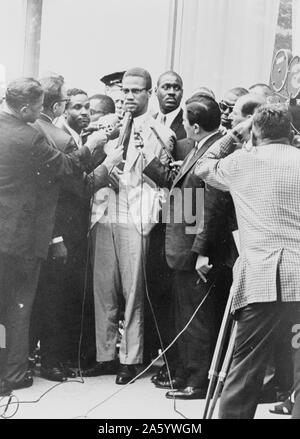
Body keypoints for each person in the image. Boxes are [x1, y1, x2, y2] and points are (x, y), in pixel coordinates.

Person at [0, 77, 105, 396]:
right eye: (36, 107)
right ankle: (15, 372)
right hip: (19, 238)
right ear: (22, 107)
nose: (42, 111)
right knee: (18, 307)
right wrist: (97, 147)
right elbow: (68, 168)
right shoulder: (29, 137)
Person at [194, 104, 300, 419]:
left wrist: (235, 133)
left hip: (261, 281)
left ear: (254, 132)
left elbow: (203, 164)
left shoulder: (243, 162)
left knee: (246, 368)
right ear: (291, 132)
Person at [84, 67, 175, 385]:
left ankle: (131, 358)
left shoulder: (159, 131)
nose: (129, 96)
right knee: (103, 289)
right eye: (125, 91)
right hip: (104, 214)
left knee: (133, 290)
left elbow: (166, 177)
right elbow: (90, 161)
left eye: (136, 91)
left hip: (134, 217)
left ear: (148, 94)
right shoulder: (108, 126)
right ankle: (105, 355)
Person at [29, 76, 123, 382]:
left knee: (57, 296)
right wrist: (107, 166)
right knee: (57, 298)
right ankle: (55, 361)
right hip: (65, 233)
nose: (85, 113)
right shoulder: (64, 139)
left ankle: (51, 357)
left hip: (62, 231)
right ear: (60, 108)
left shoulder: (66, 134)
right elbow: (79, 189)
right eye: (77, 106)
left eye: (87, 108)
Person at [144, 95, 236, 399]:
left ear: (195, 127)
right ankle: (188, 372)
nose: (182, 126)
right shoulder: (203, 147)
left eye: (185, 122)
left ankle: (198, 381)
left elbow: (211, 207)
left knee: (197, 318)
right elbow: (189, 200)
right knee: (187, 316)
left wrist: (200, 252)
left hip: (197, 253)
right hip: (185, 247)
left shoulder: (213, 152)